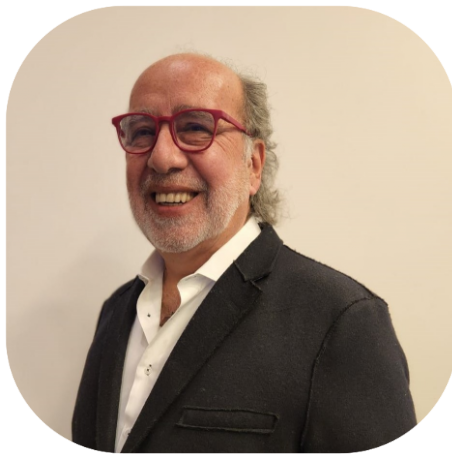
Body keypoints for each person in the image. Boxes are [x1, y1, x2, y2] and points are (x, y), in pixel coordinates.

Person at [72, 53, 421, 459]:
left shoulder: (340, 322)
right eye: (142, 131)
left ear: (253, 164)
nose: (162, 157)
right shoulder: (116, 313)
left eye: (196, 128)